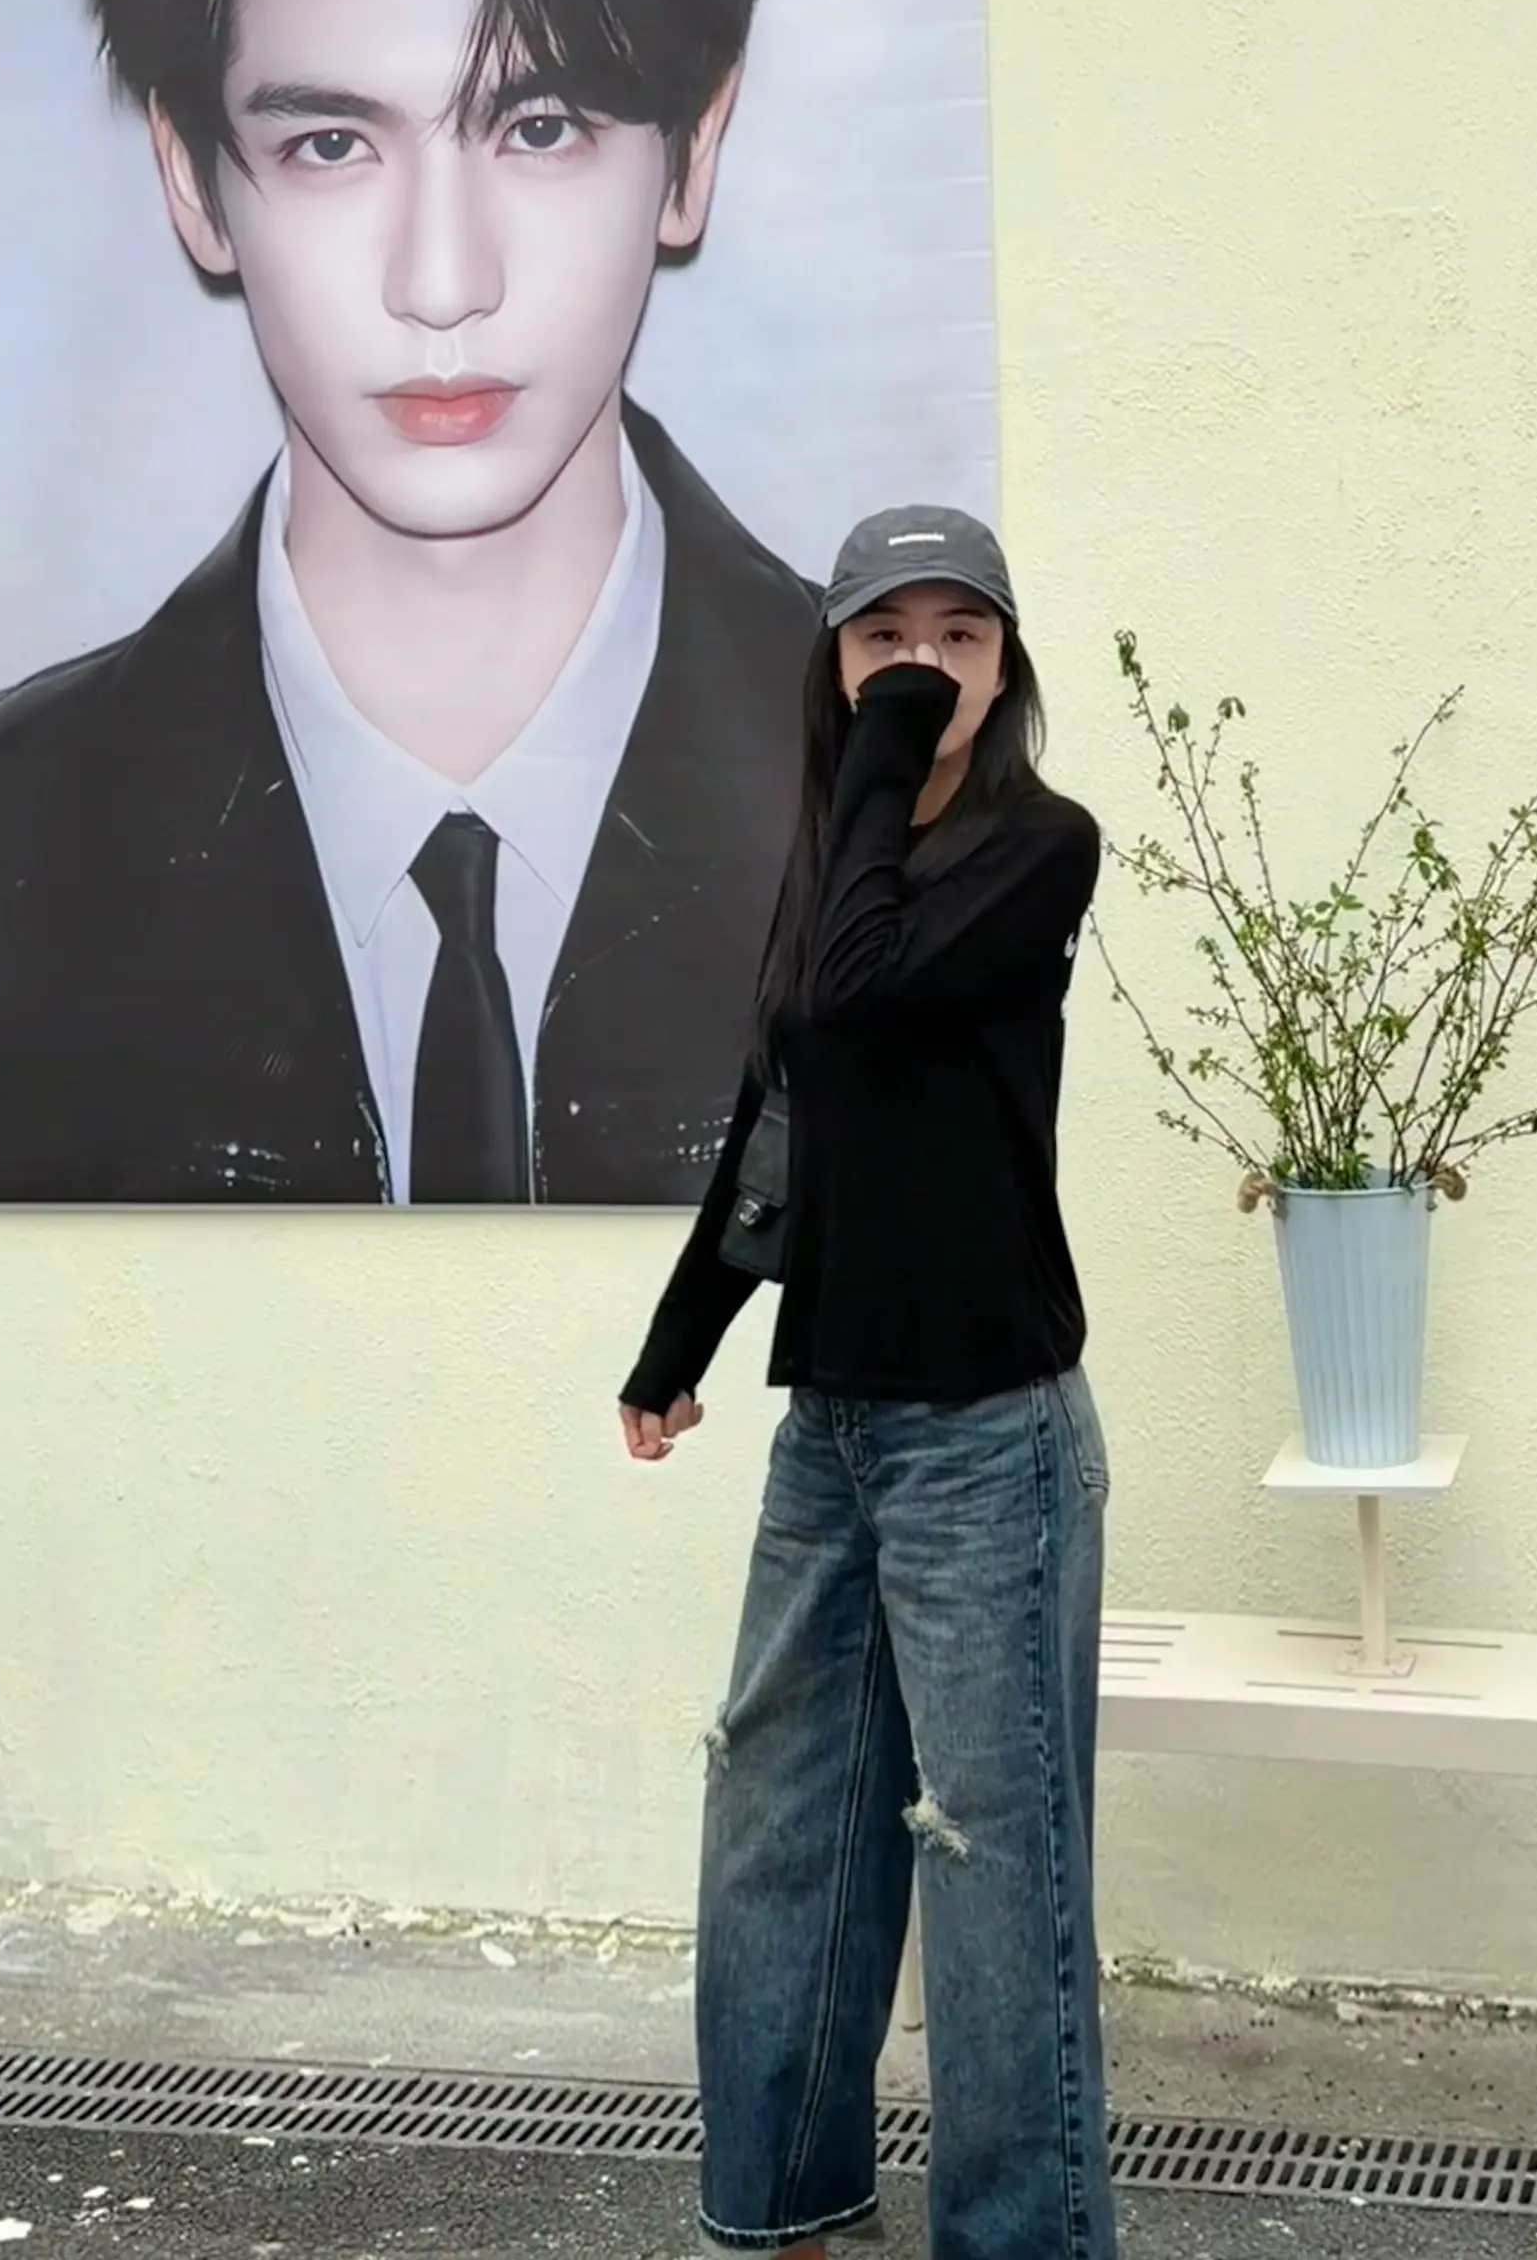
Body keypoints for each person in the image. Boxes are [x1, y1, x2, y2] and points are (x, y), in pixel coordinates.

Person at [0, 0, 819, 1205]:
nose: (442, 280)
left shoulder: (925, 810)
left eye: (540, 127)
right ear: (197, 181)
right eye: (333, 144)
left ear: (692, 151)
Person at [618, 505, 1115, 2260]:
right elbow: (781, 1109)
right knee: (782, 1831)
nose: (922, 668)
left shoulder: (1042, 848)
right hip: (830, 1425)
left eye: (958, 639)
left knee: (992, 1866)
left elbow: (856, 999)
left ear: (1007, 668)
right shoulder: (834, 861)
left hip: (990, 1437)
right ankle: (782, 2213)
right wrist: (681, 1341)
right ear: (826, 665)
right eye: (882, 641)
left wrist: (885, 755)